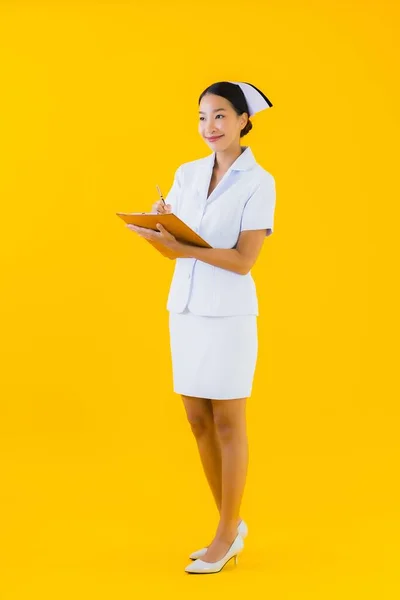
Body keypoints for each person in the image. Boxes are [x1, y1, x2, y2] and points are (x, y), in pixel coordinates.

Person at [127, 81, 276, 574]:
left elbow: (243, 260)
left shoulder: (260, 181)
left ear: (242, 121)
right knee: (196, 419)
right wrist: (158, 225)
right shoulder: (187, 173)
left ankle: (224, 535)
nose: (208, 127)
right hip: (186, 310)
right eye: (201, 118)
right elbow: (176, 238)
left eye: (219, 117)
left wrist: (181, 248)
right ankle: (230, 527)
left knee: (229, 423)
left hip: (230, 314)